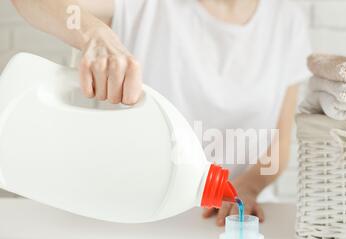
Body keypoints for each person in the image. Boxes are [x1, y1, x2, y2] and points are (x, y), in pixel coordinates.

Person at [12, 0, 311, 226]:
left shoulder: (287, 19)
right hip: (132, 220)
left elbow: (280, 142)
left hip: (231, 221)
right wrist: (94, 34)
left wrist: (247, 186)